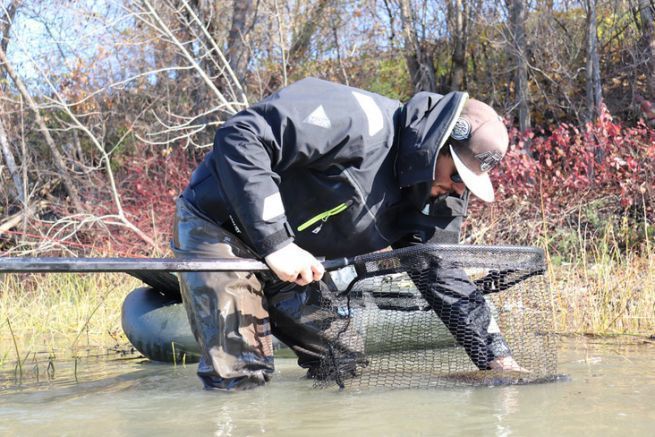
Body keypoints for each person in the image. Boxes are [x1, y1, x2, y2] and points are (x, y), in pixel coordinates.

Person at [172, 77, 523, 391]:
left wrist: (496, 357)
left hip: (294, 260)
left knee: (343, 359)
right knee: (241, 373)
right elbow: (243, 135)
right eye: (459, 175)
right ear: (439, 144)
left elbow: (442, 274)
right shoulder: (356, 120)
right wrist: (276, 243)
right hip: (218, 227)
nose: (459, 190)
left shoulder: (436, 198)